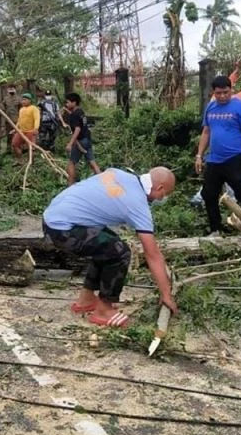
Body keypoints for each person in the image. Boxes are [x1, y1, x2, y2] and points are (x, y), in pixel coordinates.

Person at [43, 167, 178, 328]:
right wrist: (166, 295)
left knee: (108, 243)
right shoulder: (137, 204)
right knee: (120, 253)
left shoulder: (119, 174)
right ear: (160, 188)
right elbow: (152, 254)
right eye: (165, 195)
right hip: (62, 230)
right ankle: (104, 311)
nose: (163, 199)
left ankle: (86, 299)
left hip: (53, 217)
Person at [196, 75, 241, 236]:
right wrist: (199, 155)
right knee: (209, 194)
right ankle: (215, 230)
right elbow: (206, 132)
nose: (222, 96)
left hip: (235, 157)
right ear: (214, 92)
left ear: (231, 90)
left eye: (226, 92)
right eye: (219, 93)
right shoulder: (210, 108)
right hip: (214, 160)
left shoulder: (239, 106)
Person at [63, 92, 101, 185]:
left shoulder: (74, 115)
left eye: (68, 102)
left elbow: (77, 129)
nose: (66, 104)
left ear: (74, 103)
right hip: (87, 140)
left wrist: (70, 144)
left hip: (81, 142)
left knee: (71, 164)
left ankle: (70, 187)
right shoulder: (80, 112)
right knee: (92, 162)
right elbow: (78, 121)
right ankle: (103, 183)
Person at [11, 93, 40, 161]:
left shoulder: (34, 108)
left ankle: (31, 162)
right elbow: (19, 120)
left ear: (30, 100)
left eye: (25, 100)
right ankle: (20, 160)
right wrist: (15, 129)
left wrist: (36, 128)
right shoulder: (21, 109)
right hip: (21, 131)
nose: (23, 101)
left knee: (30, 147)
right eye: (22, 100)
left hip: (31, 131)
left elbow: (37, 119)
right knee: (14, 144)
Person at [2, 86, 21, 152]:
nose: (11, 90)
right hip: (8, 120)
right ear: (8, 90)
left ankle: (17, 148)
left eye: (13, 88)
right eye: (10, 88)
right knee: (9, 135)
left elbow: (21, 109)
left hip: (16, 120)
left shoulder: (19, 98)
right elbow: (3, 108)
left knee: (17, 134)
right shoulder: (5, 99)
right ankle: (8, 149)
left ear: (15, 89)